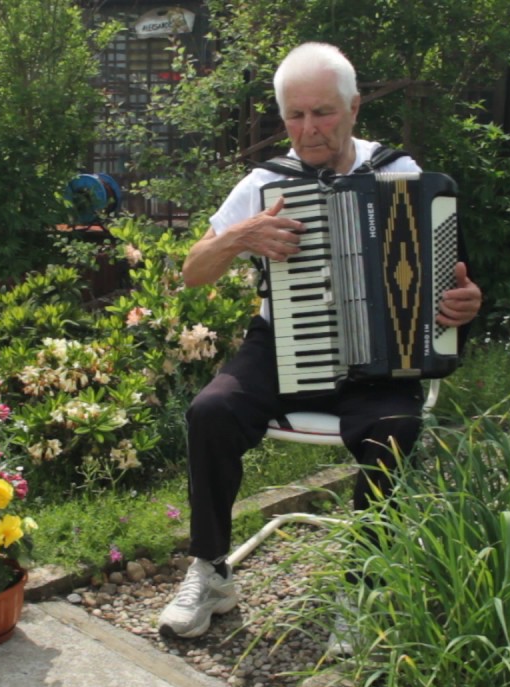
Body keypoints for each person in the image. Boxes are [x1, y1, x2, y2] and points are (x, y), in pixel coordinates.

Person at [157, 42, 482, 640]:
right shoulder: (263, 183)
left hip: (381, 358)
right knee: (211, 411)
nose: (310, 129)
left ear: (354, 108)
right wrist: (241, 236)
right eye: (296, 116)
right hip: (280, 344)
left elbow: (452, 288)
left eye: (324, 112)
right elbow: (192, 270)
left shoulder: (403, 176)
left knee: (393, 431)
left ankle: (365, 584)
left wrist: (463, 306)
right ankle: (211, 570)